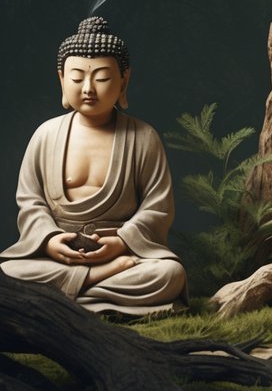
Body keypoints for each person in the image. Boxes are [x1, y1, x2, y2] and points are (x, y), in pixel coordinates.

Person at [1, 17, 187, 316]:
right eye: (77, 79)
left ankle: (60, 301)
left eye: (101, 78)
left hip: (120, 252)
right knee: (8, 273)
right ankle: (92, 285)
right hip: (61, 256)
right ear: (62, 79)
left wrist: (121, 242)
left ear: (124, 80)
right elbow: (30, 202)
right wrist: (49, 241)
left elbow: (157, 207)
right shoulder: (46, 135)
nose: (88, 88)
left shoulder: (143, 137)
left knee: (168, 275)